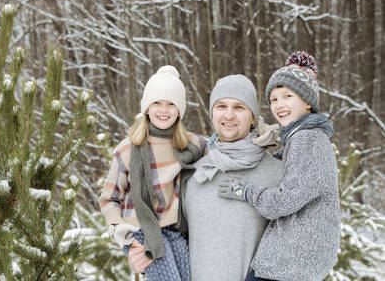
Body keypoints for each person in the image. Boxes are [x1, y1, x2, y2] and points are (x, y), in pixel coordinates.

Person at [218, 52, 340, 281]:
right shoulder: (304, 137)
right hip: (297, 260)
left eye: (287, 96)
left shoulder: (307, 139)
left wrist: (244, 191)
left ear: (306, 101)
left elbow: (286, 200)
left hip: (291, 261)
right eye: (274, 99)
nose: (279, 105)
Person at [99, 65, 205, 281]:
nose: (163, 110)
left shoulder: (193, 146)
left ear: (180, 110)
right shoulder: (128, 149)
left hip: (176, 232)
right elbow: (109, 198)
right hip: (143, 231)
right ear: (146, 107)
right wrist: (121, 234)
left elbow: (225, 151)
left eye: (170, 104)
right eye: (156, 102)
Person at [177, 74, 284, 281]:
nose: (229, 115)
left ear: (252, 117)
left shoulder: (277, 174)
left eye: (239, 107)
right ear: (212, 114)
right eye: (221, 106)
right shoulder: (193, 174)